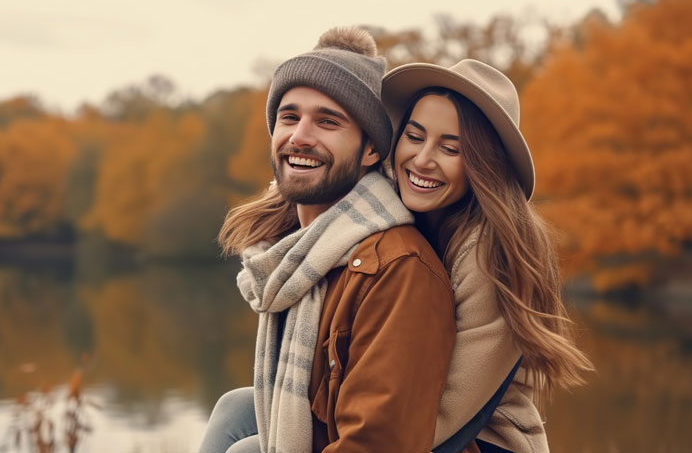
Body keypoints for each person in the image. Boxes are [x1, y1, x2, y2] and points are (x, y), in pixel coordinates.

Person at [198, 27, 456, 453]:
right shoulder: (296, 258)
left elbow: (378, 445)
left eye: (327, 122)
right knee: (234, 411)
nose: (299, 136)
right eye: (289, 116)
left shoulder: (398, 271)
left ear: (371, 150)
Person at [381, 59, 594, 452]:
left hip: (479, 439)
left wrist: (352, 434)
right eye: (414, 136)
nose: (423, 158)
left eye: (450, 148)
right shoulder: (393, 220)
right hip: (396, 419)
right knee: (242, 406)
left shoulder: (491, 250)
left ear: (483, 164)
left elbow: (449, 413)